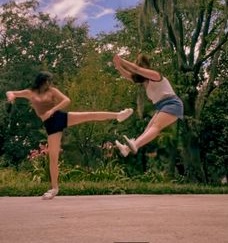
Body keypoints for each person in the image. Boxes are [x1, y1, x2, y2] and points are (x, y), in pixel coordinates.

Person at [6, 71, 133, 200]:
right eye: (47, 81)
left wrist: (52, 110)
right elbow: (11, 92)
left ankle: (118, 115)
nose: (49, 84)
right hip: (50, 126)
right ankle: (54, 188)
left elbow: (67, 100)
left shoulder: (52, 91)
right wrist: (11, 97)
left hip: (60, 117)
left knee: (90, 115)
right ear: (41, 81)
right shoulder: (30, 92)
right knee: (53, 157)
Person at [113, 54, 183, 157]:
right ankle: (127, 149)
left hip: (172, 103)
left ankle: (135, 145)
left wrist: (122, 61)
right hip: (161, 107)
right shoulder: (145, 82)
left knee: (156, 126)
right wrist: (119, 67)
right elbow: (130, 76)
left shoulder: (156, 76)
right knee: (147, 130)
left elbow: (136, 69)